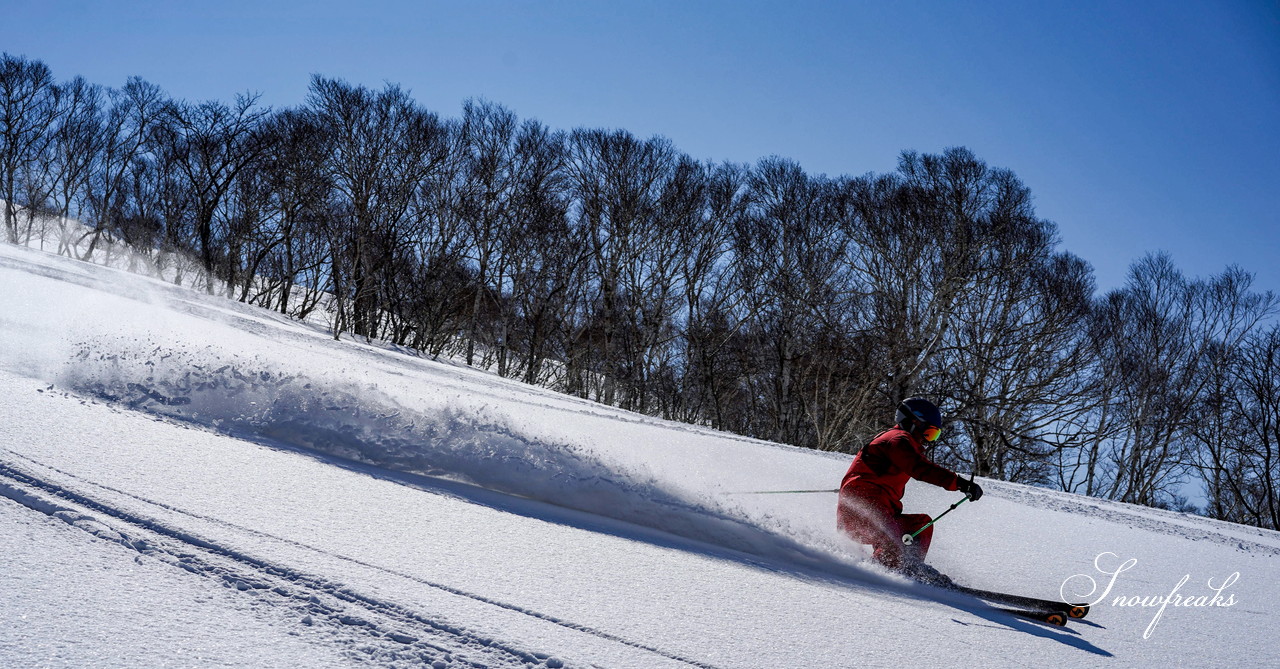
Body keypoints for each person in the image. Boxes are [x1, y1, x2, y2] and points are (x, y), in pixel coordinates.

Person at [837, 397, 982, 584]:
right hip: (862, 508)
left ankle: (908, 567)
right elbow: (920, 468)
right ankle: (883, 574)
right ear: (914, 422)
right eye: (929, 433)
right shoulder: (898, 440)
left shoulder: (897, 442)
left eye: (934, 436)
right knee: (893, 537)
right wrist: (960, 483)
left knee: (920, 525)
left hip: (873, 509)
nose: (927, 440)